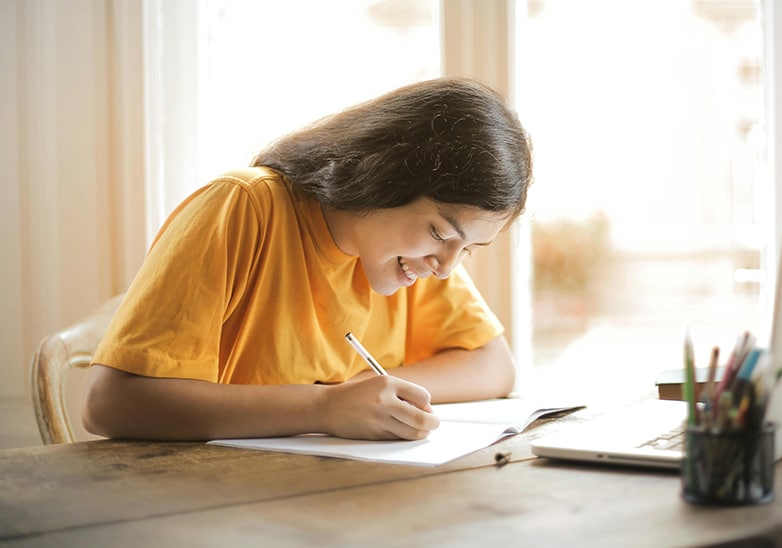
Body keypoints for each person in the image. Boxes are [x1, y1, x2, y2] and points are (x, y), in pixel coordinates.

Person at [82, 77, 533, 443]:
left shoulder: (415, 258)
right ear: (383, 177)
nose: (447, 267)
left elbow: (494, 365)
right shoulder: (243, 207)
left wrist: (368, 392)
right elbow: (110, 404)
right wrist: (324, 408)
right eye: (440, 233)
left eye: (468, 249)